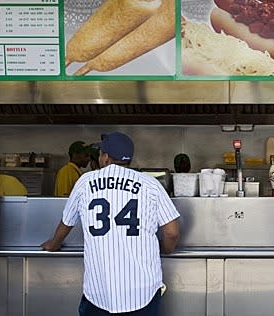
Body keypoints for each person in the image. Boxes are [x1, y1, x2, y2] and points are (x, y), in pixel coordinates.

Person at [41, 131, 180, 316]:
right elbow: (172, 233)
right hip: (142, 294)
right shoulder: (150, 184)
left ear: (105, 157)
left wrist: (53, 244)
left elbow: (66, 223)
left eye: (99, 154)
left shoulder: (85, 182)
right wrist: (165, 249)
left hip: (98, 294)